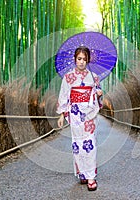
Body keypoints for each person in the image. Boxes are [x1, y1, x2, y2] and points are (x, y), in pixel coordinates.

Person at [56, 46, 103, 191]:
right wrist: (61, 114)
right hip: (75, 114)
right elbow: (64, 95)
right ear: (75, 59)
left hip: (89, 114)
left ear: (88, 60)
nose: (82, 62)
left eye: (84, 59)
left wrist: (99, 93)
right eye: (79, 59)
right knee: (77, 144)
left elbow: (97, 95)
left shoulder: (94, 77)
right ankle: (82, 172)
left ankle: (91, 177)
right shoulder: (68, 77)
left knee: (90, 143)